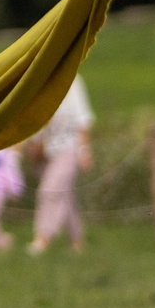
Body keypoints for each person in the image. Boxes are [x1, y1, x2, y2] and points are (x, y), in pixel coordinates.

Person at [29, 73, 95, 255]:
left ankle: (43, 238)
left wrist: (84, 151)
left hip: (69, 148)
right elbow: (36, 119)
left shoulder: (73, 82)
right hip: (45, 152)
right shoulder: (38, 82)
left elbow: (83, 118)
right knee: (64, 196)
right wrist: (35, 147)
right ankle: (77, 242)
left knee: (50, 191)